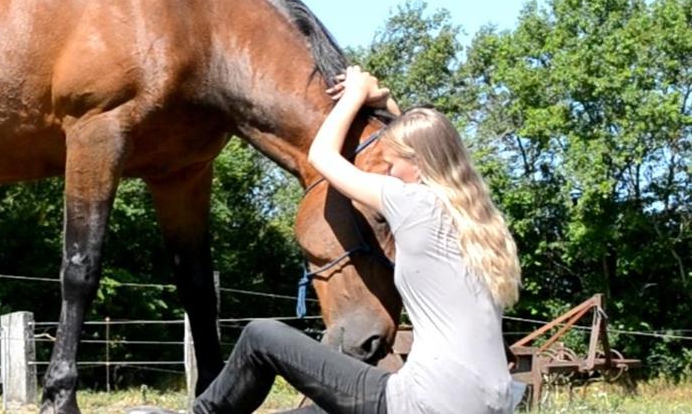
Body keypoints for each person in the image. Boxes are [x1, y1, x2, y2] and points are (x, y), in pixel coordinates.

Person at [132, 66, 522, 414]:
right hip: (490, 402)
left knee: (261, 336)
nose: (388, 169)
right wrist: (386, 101)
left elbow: (323, 157)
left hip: (423, 402)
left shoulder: (412, 201)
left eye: (392, 162)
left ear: (417, 165)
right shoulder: (483, 223)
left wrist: (353, 95)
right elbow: (423, 142)